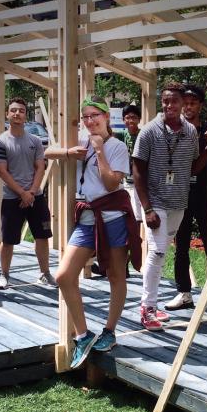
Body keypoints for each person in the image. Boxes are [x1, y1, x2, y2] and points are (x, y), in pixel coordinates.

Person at [45, 96, 141, 369]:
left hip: (113, 219)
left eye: (94, 116)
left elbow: (112, 185)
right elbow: (46, 152)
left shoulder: (117, 146)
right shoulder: (80, 141)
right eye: (85, 117)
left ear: (106, 117)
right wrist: (67, 153)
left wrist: (98, 151)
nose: (89, 121)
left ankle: (109, 331)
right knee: (63, 275)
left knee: (115, 275)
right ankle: (83, 335)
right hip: (87, 220)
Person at [133, 82, 207, 331]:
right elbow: (137, 169)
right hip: (156, 202)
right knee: (156, 253)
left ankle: (152, 306)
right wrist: (147, 208)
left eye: (174, 101)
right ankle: (147, 307)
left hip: (179, 201)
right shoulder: (148, 131)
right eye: (165, 101)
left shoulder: (190, 131)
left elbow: (193, 168)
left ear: (181, 103)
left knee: (163, 250)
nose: (169, 105)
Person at [166, 85, 207, 314]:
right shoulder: (174, 131)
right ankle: (184, 293)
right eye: (185, 103)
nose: (188, 107)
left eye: (193, 103)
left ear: (200, 106)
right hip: (181, 196)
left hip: (204, 196)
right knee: (181, 246)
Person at [0, 97, 56, 290]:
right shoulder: (0, 142)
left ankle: (44, 274)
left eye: (20, 110)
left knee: (42, 236)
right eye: (13, 110)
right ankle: (4, 276)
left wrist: (32, 192)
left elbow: (40, 167)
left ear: (25, 115)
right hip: (13, 198)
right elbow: (2, 171)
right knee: (8, 239)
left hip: (36, 196)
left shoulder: (35, 141)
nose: (17, 113)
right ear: (7, 114)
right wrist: (22, 193)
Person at [91, 103, 141, 278]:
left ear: (139, 119)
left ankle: (126, 262)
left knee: (135, 224)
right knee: (131, 223)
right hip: (127, 184)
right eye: (127, 118)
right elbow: (107, 135)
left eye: (133, 117)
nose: (130, 121)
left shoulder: (142, 136)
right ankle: (118, 265)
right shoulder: (121, 135)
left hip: (141, 186)